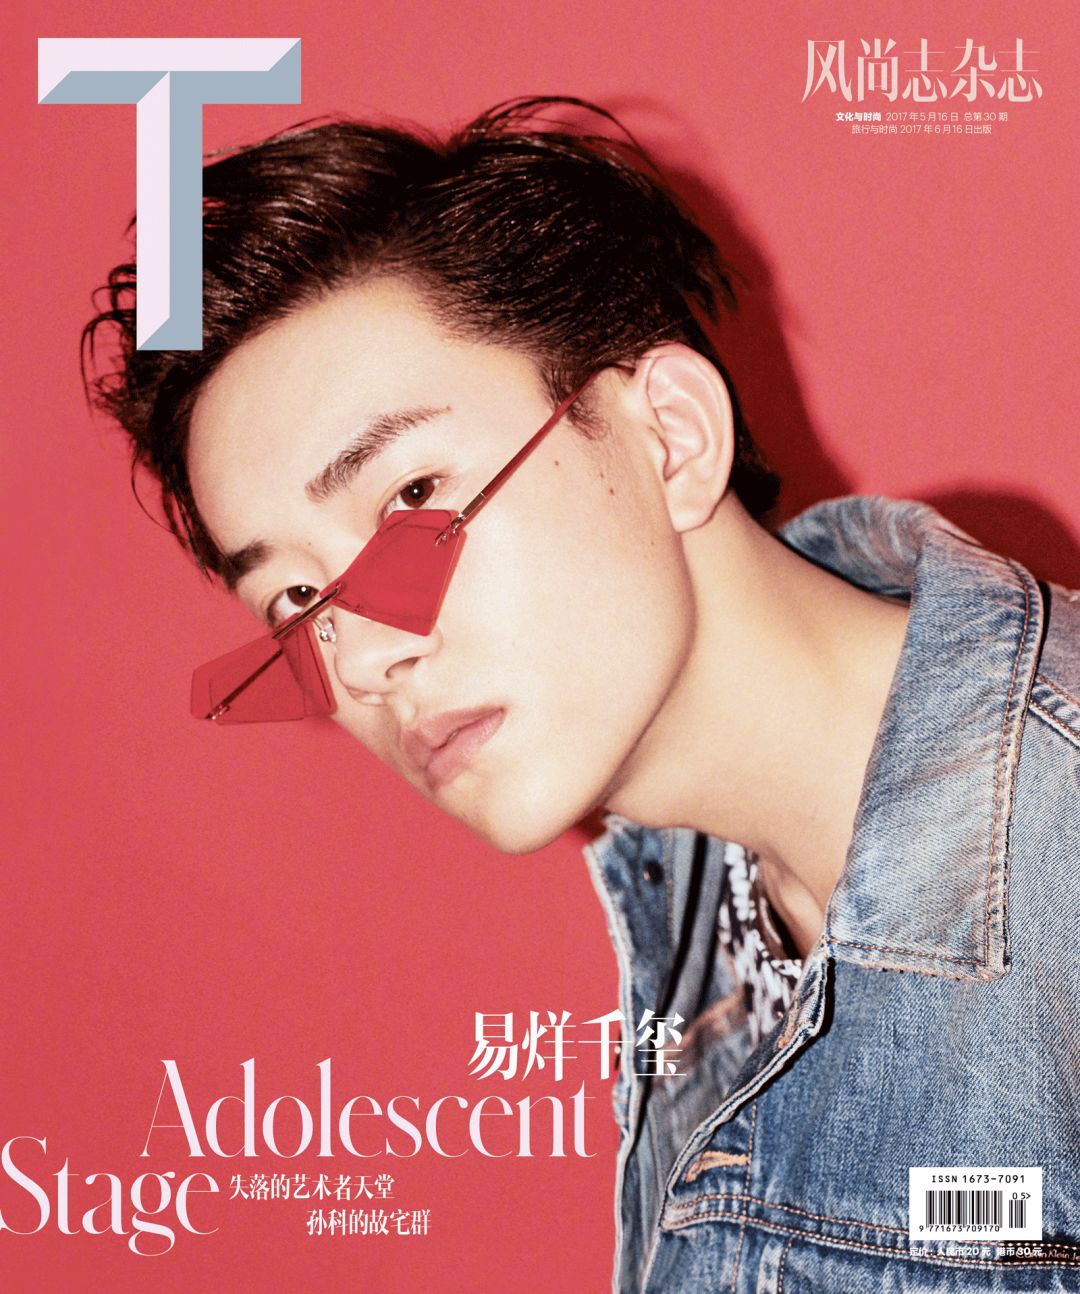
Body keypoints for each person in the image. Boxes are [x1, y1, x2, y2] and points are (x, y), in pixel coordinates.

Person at [81, 98, 1080, 1292]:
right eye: (296, 600)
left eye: (410, 501)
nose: (361, 657)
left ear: (670, 435)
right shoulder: (704, 887)